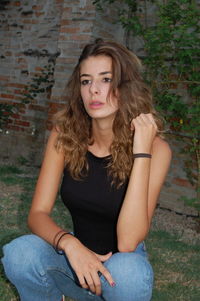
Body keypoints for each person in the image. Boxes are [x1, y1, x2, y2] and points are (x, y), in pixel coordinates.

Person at [1, 39, 172, 301]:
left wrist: (141, 151)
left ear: (125, 87)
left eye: (106, 80)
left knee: (130, 270)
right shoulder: (65, 135)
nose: (94, 90)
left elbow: (127, 243)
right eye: (85, 81)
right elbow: (37, 214)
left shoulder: (156, 149)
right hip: (74, 265)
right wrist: (70, 244)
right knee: (19, 252)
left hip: (117, 280)